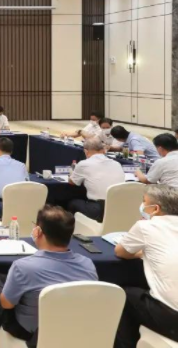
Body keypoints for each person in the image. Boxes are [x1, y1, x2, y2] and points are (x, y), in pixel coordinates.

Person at [0, 205, 98, 346]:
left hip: (31, 334)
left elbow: (6, 304)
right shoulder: (88, 264)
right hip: (77, 329)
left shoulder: (23, 267)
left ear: (38, 231)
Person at [114, 186, 178, 347]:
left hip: (173, 318)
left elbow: (121, 252)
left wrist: (142, 253)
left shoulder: (146, 226)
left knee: (124, 295)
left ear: (155, 209)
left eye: (144, 202)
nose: (142, 205)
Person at [67, 137, 125, 222]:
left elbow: (72, 182)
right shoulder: (117, 164)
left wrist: (71, 175)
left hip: (99, 209)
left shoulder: (84, 164)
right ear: (103, 150)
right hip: (118, 208)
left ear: (86, 151)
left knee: (72, 203)